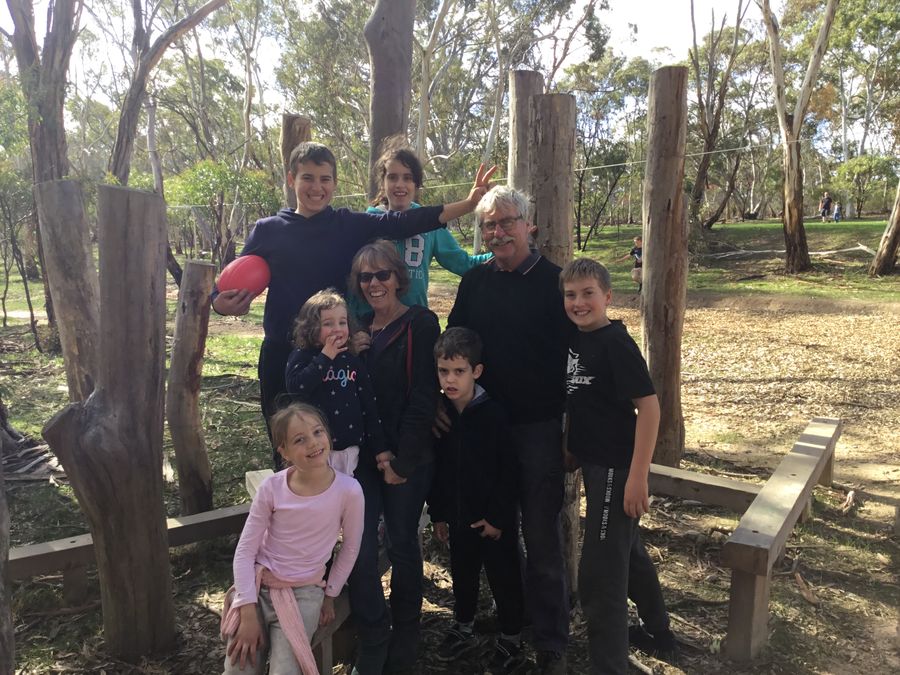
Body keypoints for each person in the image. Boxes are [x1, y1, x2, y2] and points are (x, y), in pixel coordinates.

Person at [212, 141, 495, 466]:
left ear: (334, 183)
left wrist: (469, 203)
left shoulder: (349, 225)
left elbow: (404, 223)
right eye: (308, 178)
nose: (316, 188)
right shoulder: (268, 230)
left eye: (325, 179)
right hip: (280, 354)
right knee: (286, 448)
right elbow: (224, 289)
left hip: (335, 356)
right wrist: (222, 305)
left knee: (333, 448)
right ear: (292, 179)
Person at [446, 186, 570, 675]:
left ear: (529, 225)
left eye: (506, 222)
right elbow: (455, 344)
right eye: (489, 226)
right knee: (494, 536)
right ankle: (509, 627)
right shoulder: (474, 282)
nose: (498, 233)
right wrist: (442, 400)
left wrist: (572, 429)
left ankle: (551, 641)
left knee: (541, 542)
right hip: (484, 430)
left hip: (539, 430)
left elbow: (579, 360)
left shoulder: (557, 284)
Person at [559, 258, 675, 674]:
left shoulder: (615, 344)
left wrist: (638, 477)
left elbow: (649, 409)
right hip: (592, 462)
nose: (579, 302)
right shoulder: (577, 339)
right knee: (626, 551)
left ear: (607, 297)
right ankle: (660, 631)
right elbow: (581, 400)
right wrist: (573, 445)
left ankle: (609, 666)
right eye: (570, 295)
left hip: (616, 469)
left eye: (588, 293)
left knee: (599, 575)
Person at [346, 241, 441, 674]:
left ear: (398, 278)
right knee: (360, 551)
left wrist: (403, 460)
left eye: (382, 274)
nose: (374, 283)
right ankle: (373, 631)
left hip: (408, 456)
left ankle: (406, 634)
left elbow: (424, 394)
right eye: (366, 277)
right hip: (363, 458)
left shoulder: (420, 323)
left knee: (403, 544)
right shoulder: (358, 329)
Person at [220, 403, 365, 675]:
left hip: (305, 592)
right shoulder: (272, 488)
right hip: (258, 587)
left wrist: (330, 594)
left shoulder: (349, 491)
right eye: (300, 439)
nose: (313, 443)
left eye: (318, 432)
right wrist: (248, 611)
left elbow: (351, 547)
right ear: (284, 451)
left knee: (285, 670)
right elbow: (245, 551)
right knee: (239, 664)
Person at [429, 327, 526, 672]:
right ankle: (463, 625)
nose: (451, 379)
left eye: (459, 371)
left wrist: (499, 518)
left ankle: (512, 636)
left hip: (492, 520)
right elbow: (438, 472)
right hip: (457, 516)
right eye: (443, 371)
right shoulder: (439, 416)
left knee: (504, 575)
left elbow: (509, 472)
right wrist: (438, 514)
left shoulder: (493, 415)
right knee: (463, 573)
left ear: (477, 371)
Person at [351, 139, 492, 314]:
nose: (400, 184)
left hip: (415, 326)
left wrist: (505, 252)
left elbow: (464, 264)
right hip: (372, 327)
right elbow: (352, 284)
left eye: (408, 178)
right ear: (383, 183)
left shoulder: (431, 226)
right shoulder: (368, 223)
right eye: (392, 177)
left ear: (416, 184)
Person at [285, 289, 384, 476]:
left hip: (349, 449)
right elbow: (296, 388)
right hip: (315, 449)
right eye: (328, 324)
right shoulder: (302, 355)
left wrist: (379, 447)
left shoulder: (351, 359)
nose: (337, 329)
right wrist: (324, 358)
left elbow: (368, 403)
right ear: (311, 328)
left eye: (342, 322)